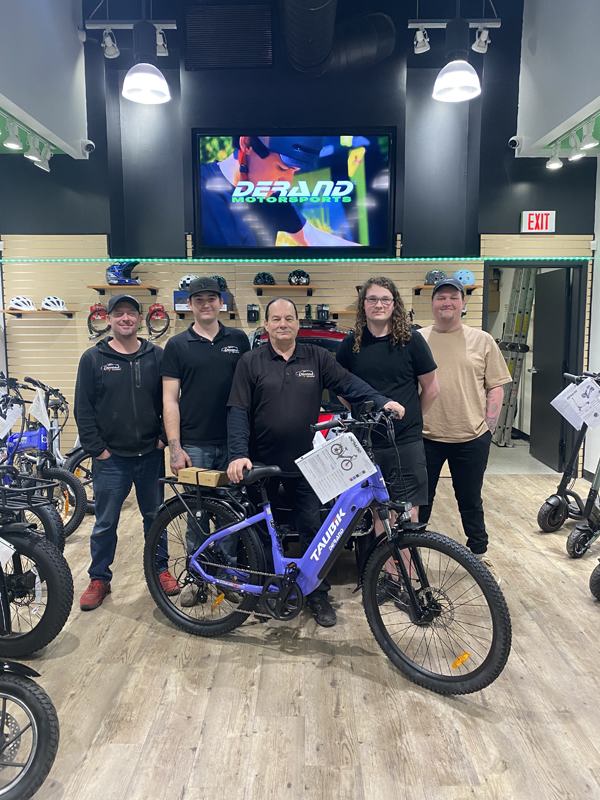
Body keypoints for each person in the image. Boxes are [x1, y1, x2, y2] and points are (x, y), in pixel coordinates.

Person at [226, 297, 406, 627]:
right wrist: (238, 453)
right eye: (276, 319)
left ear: (297, 323)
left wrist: (382, 401)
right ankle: (264, 591)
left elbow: (349, 384)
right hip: (261, 462)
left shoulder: (316, 357)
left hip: (306, 463)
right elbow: (238, 410)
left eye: (288, 318)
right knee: (261, 534)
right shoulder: (250, 361)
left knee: (314, 529)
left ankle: (316, 595)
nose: (283, 324)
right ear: (266, 325)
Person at [75, 294, 178, 611]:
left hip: (150, 455)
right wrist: (97, 450)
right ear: (108, 319)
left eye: (130, 313)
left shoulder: (156, 356)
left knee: (155, 518)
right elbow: (83, 408)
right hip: (111, 460)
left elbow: (171, 399)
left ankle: (160, 570)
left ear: (139, 318)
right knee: (105, 523)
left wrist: (163, 439)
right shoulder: (93, 359)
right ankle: (99, 579)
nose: (125, 318)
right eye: (118, 313)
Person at [336, 276, 439, 570]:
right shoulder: (351, 344)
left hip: (405, 442)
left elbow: (432, 389)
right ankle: (389, 578)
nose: (379, 305)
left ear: (394, 304)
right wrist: (361, 413)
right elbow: (341, 388)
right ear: (363, 305)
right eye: (372, 299)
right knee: (380, 513)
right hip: (367, 443)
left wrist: (411, 418)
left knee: (407, 513)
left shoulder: (411, 341)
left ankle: (407, 577)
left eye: (385, 299)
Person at [161, 276, 250, 606]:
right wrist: (175, 447)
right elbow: (170, 400)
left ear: (221, 302)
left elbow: (250, 390)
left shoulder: (238, 340)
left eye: (212, 298)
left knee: (231, 514)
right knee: (196, 515)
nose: (206, 304)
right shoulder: (177, 345)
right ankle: (198, 578)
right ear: (190, 304)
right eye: (199, 299)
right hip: (194, 446)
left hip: (232, 445)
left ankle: (228, 576)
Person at [417, 277, 512, 575]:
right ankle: (411, 558)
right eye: (441, 297)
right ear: (432, 303)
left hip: (471, 438)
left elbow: (495, 386)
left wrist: (488, 428)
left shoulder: (482, 340)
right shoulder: (417, 339)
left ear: (463, 303)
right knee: (421, 501)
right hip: (425, 437)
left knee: (470, 500)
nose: (447, 302)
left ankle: (479, 555)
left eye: (453, 297)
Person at [200, 136, 358, 247]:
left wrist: (367, 254)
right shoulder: (197, 184)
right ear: (247, 144)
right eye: (282, 168)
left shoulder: (274, 199)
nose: (287, 182)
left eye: (293, 171)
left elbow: (313, 238)